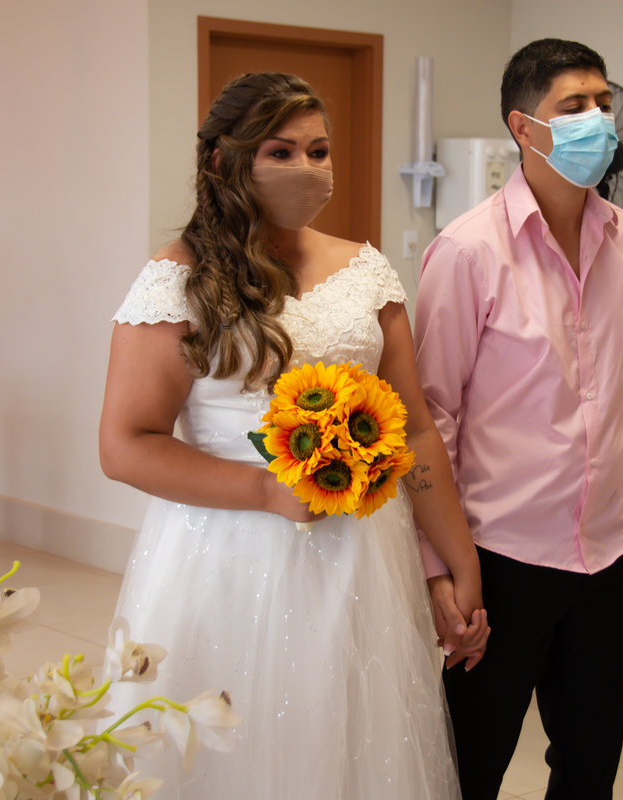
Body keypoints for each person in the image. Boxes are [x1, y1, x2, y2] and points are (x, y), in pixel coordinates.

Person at [99, 72, 487, 799]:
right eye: (280, 152)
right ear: (224, 160)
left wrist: (458, 560)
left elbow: (415, 430)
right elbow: (125, 443)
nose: (307, 168)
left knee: (352, 742)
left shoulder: (366, 271)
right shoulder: (177, 281)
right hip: (226, 552)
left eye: (318, 151)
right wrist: (264, 490)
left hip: (362, 556)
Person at [413, 39, 623, 800]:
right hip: (500, 556)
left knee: (589, 770)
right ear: (523, 127)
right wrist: (438, 568)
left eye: (603, 103)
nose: (598, 119)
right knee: (469, 769)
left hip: (606, 552)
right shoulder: (467, 251)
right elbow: (430, 421)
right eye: (574, 106)